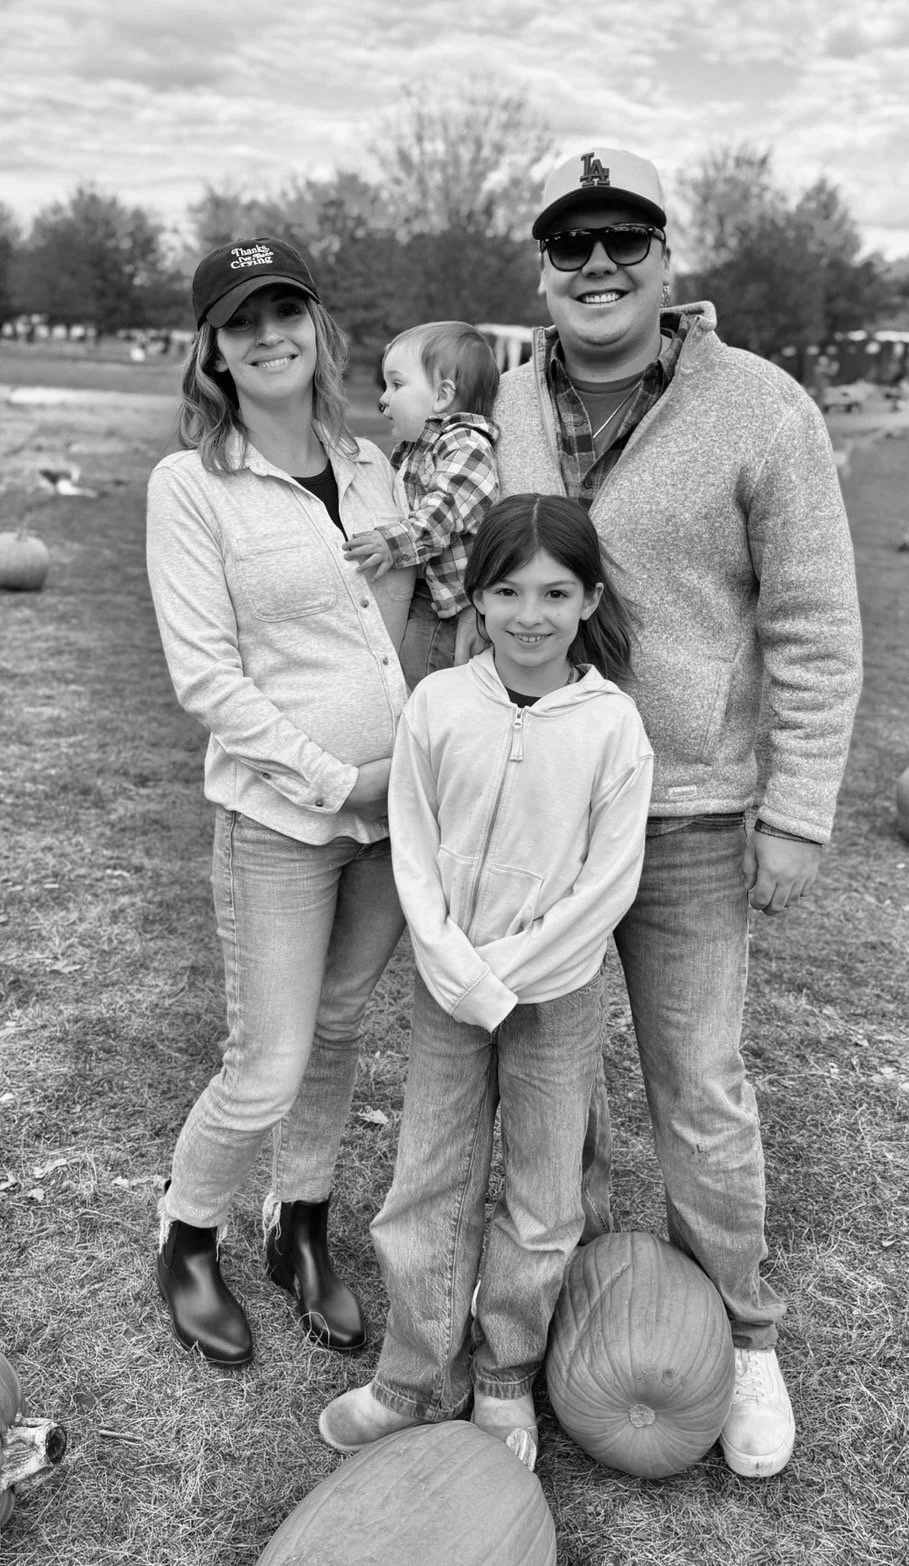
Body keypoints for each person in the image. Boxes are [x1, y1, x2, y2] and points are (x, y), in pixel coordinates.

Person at [477, 147, 864, 1478]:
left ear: (666, 260)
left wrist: (799, 807)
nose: (596, 266)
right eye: (570, 243)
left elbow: (815, 626)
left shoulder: (761, 409)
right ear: (541, 264)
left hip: (694, 810)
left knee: (700, 1087)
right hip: (544, 805)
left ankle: (743, 1335)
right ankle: (532, 1348)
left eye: (623, 241)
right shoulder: (504, 400)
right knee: (547, 1091)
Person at [318, 494, 654, 1468]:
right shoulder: (437, 707)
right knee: (427, 1179)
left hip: (556, 995)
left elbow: (607, 883)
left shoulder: (610, 728)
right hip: (444, 985)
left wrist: (504, 972)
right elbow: (413, 851)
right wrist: (455, 965)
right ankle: (415, 1376)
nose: (529, 614)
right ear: (476, 596)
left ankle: (504, 1373)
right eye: (505, 590)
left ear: (588, 598)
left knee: (542, 1196)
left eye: (554, 592)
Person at [145, 236, 411, 1366]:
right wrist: (330, 777)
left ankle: (300, 1224)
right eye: (240, 320)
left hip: (396, 814)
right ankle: (186, 1237)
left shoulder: (368, 464)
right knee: (267, 1058)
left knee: (344, 1028)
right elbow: (206, 676)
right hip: (285, 820)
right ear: (211, 348)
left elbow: (396, 630)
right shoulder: (191, 485)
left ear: (316, 326)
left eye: (283, 311)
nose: (267, 336)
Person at [342, 321, 500, 688]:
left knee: (418, 685)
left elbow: (440, 514)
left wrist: (390, 544)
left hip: (449, 609)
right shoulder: (418, 449)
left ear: (443, 396)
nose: (383, 399)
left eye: (396, 385)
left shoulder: (466, 445)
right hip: (423, 595)